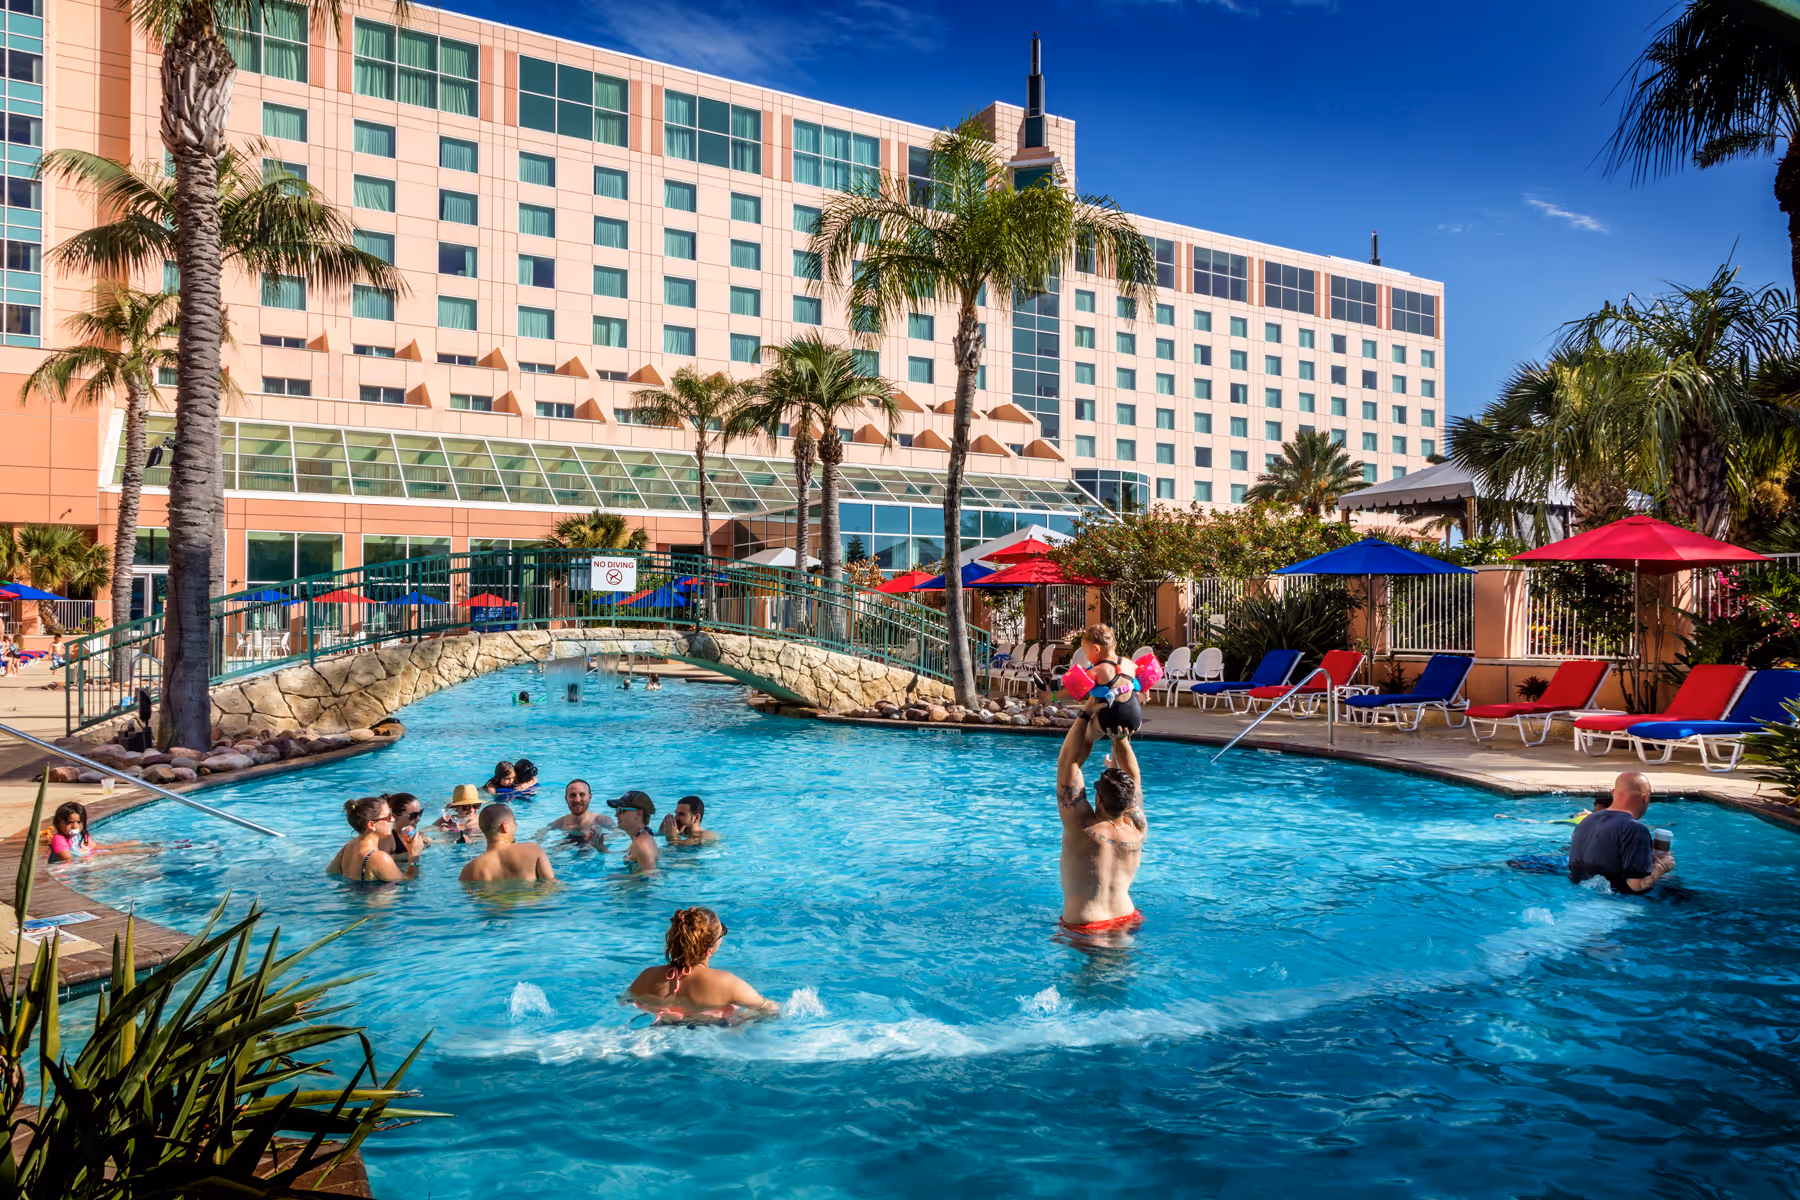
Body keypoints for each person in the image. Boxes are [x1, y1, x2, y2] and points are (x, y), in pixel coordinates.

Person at [1052, 711, 1147, 933]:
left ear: (1098, 799)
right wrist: (1121, 740)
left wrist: (1085, 714)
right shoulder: (1137, 828)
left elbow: (1068, 763)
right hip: (1128, 918)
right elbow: (1134, 777)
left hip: (1087, 927)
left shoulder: (1081, 824)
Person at [625, 907, 778, 1023]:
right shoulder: (726, 983)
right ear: (708, 950)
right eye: (722, 933)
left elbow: (625, 1002)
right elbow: (771, 1011)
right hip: (714, 1039)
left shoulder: (648, 977)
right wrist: (742, 1019)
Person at [1569, 771, 1675, 895]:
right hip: (1616, 901)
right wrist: (1662, 866)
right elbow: (1637, 885)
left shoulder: (1586, 821)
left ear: (1614, 793)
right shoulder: (1635, 829)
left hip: (1579, 893)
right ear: (1645, 797)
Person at [1071, 624, 1142, 740]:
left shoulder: (1097, 670)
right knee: (1121, 739)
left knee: (1086, 737)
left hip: (1110, 719)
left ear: (1096, 649)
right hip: (1135, 718)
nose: (1086, 656)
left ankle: (1082, 751)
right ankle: (1117, 752)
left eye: (1086, 652)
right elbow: (1142, 687)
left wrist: (1052, 696)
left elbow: (1073, 691)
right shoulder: (1129, 663)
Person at [457, 803, 557, 883]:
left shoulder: (469, 870)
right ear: (505, 826)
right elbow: (552, 886)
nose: (516, 826)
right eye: (514, 822)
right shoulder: (533, 850)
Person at [326, 796, 414, 882]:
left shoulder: (347, 847)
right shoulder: (380, 858)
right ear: (371, 825)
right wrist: (414, 856)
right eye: (388, 817)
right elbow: (408, 882)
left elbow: (330, 873)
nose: (393, 819)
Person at [46, 801, 146, 863]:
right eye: (70, 823)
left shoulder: (79, 835)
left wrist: (113, 847)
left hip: (91, 856)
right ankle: (146, 852)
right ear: (58, 823)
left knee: (131, 845)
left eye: (78, 822)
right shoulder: (59, 839)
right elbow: (68, 859)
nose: (75, 826)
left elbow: (93, 846)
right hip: (84, 861)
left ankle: (146, 849)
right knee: (128, 853)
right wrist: (99, 856)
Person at [549, 778, 615, 844]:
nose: (577, 800)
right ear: (566, 799)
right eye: (572, 795)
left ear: (589, 798)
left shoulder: (603, 821)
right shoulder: (558, 824)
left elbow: (618, 836)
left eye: (582, 795)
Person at [609, 790, 660, 872]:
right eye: (616, 810)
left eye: (620, 810)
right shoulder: (639, 838)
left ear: (638, 814)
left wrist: (615, 877)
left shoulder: (642, 844)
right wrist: (601, 848)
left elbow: (650, 874)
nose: (616, 815)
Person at [378, 793, 429, 859]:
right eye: (413, 815)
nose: (418, 819)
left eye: (420, 813)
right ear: (393, 816)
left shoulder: (419, 835)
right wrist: (414, 853)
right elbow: (385, 863)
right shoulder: (388, 842)